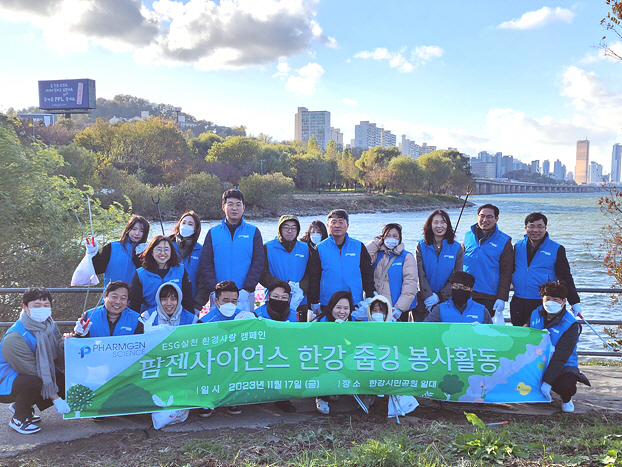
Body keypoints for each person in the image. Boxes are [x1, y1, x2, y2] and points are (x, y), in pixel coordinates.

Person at [0, 288, 70, 434]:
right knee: (33, 382)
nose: (42, 309)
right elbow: (32, 370)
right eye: (37, 305)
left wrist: (65, 343)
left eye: (46, 305)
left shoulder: (50, 326)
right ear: (25, 308)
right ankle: (19, 419)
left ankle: (21, 404)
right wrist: (55, 398)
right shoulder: (14, 337)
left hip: (26, 376)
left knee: (65, 382)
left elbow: (59, 359)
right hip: (5, 382)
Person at [195, 189, 264, 313]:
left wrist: (247, 289)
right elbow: (206, 264)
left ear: (243, 207)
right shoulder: (213, 233)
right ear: (223, 207)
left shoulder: (253, 232)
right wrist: (214, 290)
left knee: (244, 331)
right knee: (220, 331)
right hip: (218, 297)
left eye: (238, 204)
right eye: (230, 204)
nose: (234, 208)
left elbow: (258, 263)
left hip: (245, 295)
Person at [528, 281, 590, 413]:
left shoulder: (571, 324)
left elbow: (562, 355)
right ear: (542, 299)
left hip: (563, 365)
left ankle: (566, 399)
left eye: (555, 300)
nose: (551, 302)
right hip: (537, 361)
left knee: (566, 385)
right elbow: (524, 335)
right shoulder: (535, 313)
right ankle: (534, 390)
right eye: (548, 299)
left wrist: (548, 382)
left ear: (563, 301)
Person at [511, 212, 581, 326]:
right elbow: (509, 271)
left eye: (540, 226)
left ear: (545, 228)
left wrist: (574, 302)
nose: (535, 230)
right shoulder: (518, 246)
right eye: (531, 226)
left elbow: (565, 277)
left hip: (543, 302)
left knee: (540, 338)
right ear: (525, 228)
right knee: (519, 336)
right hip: (518, 300)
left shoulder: (556, 248)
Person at [308, 210, 375, 320]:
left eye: (341, 222)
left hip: (354, 302)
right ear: (328, 226)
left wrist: (369, 295)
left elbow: (367, 272)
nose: (337, 225)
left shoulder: (358, 246)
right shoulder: (320, 248)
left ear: (347, 225)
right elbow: (314, 277)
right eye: (333, 222)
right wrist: (314, 301)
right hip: (328, 302)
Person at [197, 280, 245, 418]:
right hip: (212, 361)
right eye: (225, 300)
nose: (230, 304)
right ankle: (207, 400)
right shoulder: (205, 322)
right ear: (216, 301)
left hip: (236, 360)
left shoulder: (243, 317)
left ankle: (233, 398)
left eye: (234, 301)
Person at [254, 281, 298, 413]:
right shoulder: (256, 315)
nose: (280, 300)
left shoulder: (294, 315)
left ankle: (283, 398)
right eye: (276, 296)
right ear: (268, 297)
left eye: (284, 297)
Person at [462, 204, 513, 318]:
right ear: (477, 217)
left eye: (489, 217)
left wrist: (501, 298)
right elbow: (458, 262)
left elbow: (507, 272)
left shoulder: (504, 241)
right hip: (465, 292)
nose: (485, 220)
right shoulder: (468, 236)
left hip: (488, 296)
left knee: (483, 331)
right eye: (482, 216)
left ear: (496, 219)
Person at [415, 210, 464, 322]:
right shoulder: (421, 245)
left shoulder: (456, 248)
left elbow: (457, 276)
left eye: (443, 222)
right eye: (435, 222)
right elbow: (419, 273)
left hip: (447, 300)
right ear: (430, 225)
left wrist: (439, 296)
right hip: (423, 301)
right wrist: (428, 296)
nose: (439, 226)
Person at [128, 235, 194, 314]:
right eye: (158, 249)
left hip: (177, 319)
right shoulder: (141, 274)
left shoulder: (180, 270)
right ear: (151, 251)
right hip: (150, 320)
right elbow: (134, 304)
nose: (163, 253)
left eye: (166, 250)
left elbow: (188, 300)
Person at [260, 215, 310, 317]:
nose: (290, 231)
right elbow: (262, 273)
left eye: (293, 228)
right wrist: (282, 286)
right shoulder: (267, 247)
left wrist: (301, 288)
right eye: (286, 227)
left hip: (300, 301)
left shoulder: (305, 248)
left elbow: (311, 273)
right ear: (280, 229)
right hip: (275, 300)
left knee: (297, 331)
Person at [313, 291, 354, 414]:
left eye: (346, 308)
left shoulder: (352, 322)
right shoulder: (319, 322)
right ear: (331, 307)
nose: (342, 312)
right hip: (322, 359)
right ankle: (321, 396)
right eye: (338, 307)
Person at [366, 223, 417, 322]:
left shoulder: (406, 257)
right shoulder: (377, 254)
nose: (391, 238)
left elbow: (410, 284)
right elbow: (364, 257)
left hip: (396, 308)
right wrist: (377, 242)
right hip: (377, 307)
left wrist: (399, 308)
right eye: (388, 235)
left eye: (395, 236)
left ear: (400, 238)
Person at [86, 215, 150, 288]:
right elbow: (98, 269)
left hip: (134, 296)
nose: (137, 233)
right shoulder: (111, 247)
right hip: (111, 295)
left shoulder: (147, 250)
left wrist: (139, 256)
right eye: (134, 229)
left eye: (141, 231)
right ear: (128, 229)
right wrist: (93, 253)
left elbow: (148, 274)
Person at [71, 281, 144, 337]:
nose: (118, 302)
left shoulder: (136, 319)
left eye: (123, 298)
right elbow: (78, 343)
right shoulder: (89, 315)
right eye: (114, 297)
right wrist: (77, 335)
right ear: (105, 297)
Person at [424, 271, 492, 324]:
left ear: (471, 289)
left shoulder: (481, 310)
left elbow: (490, 333)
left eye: (464, 288)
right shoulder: (440, 309)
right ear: (451, 286)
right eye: (456, 286)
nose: (460, 290)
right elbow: (426, 328)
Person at [169, 211, 203, 304]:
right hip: (168, 300)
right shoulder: (168, 245)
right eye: (183, 223)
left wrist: (198, 304)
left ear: (195, 229)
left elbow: (202, 280)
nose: (186, 226)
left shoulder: (200, 250)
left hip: (190, 300)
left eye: (190, 224)